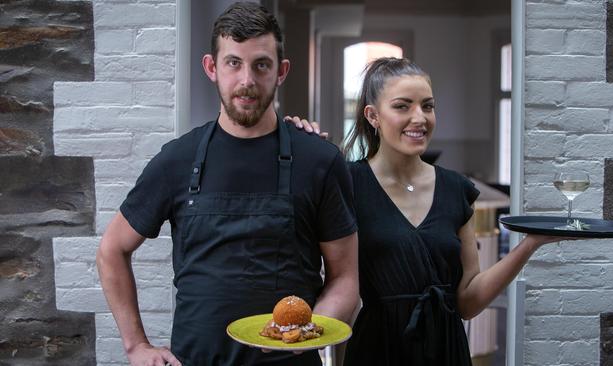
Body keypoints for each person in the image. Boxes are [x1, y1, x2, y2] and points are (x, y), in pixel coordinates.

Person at [96, 3, 359, 366]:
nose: (247, 80)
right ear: (211, 68)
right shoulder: (176, 160)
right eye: (233, 63)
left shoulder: (320, 161)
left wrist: (310, 330)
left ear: (281, 71)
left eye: (261, 65)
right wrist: (136, 346)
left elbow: (345, 279)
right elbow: (112, 249)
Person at [288, 57, 569, 365]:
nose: (419, 117)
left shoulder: (456, 189)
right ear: (373, 116)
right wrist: (302, 144)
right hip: (377, 350)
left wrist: (529, 244)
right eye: (402, 106)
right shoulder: (348, 183)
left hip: (447, 352)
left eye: (428, 106)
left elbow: (467, 302)